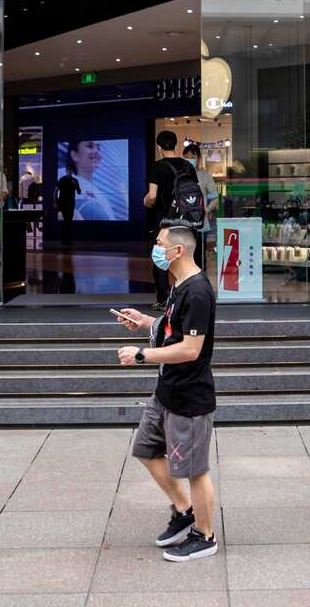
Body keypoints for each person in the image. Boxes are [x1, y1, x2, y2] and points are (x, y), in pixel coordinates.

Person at [114, 223, 219, 562]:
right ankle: (184, 510)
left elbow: (190, 349)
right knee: (146, 449)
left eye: (159, 243)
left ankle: (205, 535)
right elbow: (173, 328)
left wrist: (142, 354)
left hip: (189, 396)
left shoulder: (198, 292)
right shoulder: (179, 285)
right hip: (166, 391)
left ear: (177, 251)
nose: (154, 249)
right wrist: (146, 322)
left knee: (195, 470)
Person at [144, 130, 186, 308]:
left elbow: (152, 196)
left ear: (159, 147)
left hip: (164, 220)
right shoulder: (187, 166)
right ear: (175, 144)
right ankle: (185, 298)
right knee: (183, 258)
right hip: (184, 220)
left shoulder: (157, 167)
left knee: (161, 259)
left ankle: (163, 300)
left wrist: (146, 201)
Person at [183, 143, 217, 268]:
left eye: (192, 157)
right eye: (186, 157)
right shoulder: (180, 176)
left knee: (199, 257)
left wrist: (206, 211)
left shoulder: (205, 175)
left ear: (198, 158)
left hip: (200, 223)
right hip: (184, 223)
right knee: (185, 256)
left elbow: (214, 198)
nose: (189, 160)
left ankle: (201, 283)